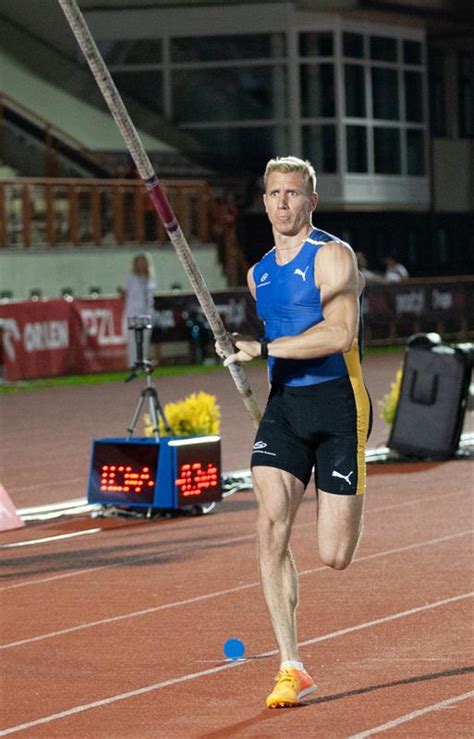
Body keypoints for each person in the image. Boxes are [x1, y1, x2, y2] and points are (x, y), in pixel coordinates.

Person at [217, 156, 372, 709]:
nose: (283, 202)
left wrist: (264, 348)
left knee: (334, 555)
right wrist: (237, 346)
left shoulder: (333, 256)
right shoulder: (260, 274)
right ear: (264, 201)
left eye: (293, 193)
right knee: (270, 525)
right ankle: (291, 664)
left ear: (312, 201)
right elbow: (272, 333)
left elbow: (339, 333)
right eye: (274, 193)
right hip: (284, 409)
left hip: (338, 406)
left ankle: (346, 496)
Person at [119, 253, 156, 368]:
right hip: (133, 313)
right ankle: (133, 365)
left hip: (147, 313)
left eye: (144, 262)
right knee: (133, 340)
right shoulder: (130, 278)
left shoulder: (150, 279)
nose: (142, 265)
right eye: (139, 262)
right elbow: (122, 293)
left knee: (145, 340)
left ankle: (142, 362)